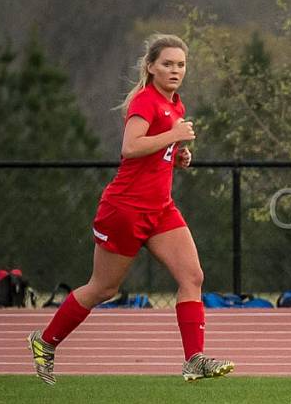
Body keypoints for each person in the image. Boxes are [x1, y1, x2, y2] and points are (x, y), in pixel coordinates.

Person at [27, 35, 234, 385]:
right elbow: (130, 147)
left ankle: (194, 359)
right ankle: (45, 342)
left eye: (180, 64)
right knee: (103, 289)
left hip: (160, 209)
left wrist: (177, 157)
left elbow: (156, 154)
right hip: (125, 210)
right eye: (167, 64)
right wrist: (171, 138)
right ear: (150, 67)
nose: (175, 70)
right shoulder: (145, 101)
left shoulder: (175, 106)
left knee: (192, 277)